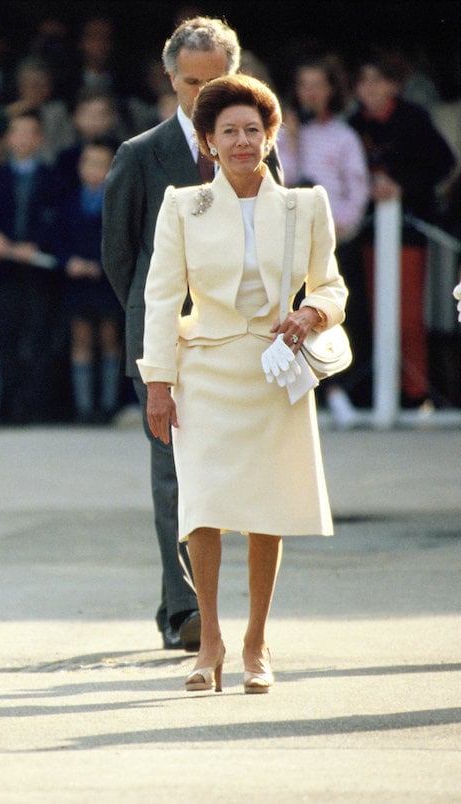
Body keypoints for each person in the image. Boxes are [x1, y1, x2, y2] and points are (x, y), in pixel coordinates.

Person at [139, 74, 347, 694]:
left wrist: (311, 313)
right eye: (228, 131)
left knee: (266, 509)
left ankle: (256, 641)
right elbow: (160, 298)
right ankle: (210, 641)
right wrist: (159, 381)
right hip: (203, 371)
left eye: (253, 131)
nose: (241, 142)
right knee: (202, 507)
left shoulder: (305, 205)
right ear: (207, 141)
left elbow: (332, 286)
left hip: (276, 372)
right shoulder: (182, 205)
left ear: (270, 136)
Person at [102, 16, 282, 652]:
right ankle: (185, 612)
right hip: (169, 346)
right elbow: (122, 259)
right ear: (170, 78)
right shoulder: (140, 155)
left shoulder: (255, 146)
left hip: (244, 343)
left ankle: (191, 603)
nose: (202, 93)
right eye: (189, 81)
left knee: (245, 478)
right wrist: (157, 330)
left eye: (217, 80)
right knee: (174, 480)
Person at [348, 53, 455, 408]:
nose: (370, 89)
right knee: (369, 313)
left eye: (378, 80)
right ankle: (377, 388)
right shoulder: (353, 123)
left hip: (408, 229)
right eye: (363, 81)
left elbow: (444, 164)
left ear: (394, 85)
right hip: (366, 232)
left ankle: (414, 392)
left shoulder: (413, 119)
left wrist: (403, 187)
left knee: (407, 315)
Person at [278, 57, 369, 427]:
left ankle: (340, 389)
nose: (311, 92)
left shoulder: (343, 135)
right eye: (304, 85)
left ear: (331, 90)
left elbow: (356, 186)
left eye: (318, 84)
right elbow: (281, 183)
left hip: (334, 239)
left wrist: (341, 224)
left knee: (333, 313)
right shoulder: (283, 133)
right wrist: (294, 138)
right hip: (290, 240)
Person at [0, 110, 58, 423]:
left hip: (38, 271)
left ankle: (36, 406)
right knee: (5, 338)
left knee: (38, 337)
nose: (23, 139)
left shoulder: (52, 177)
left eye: (30, 133)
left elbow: (58, 219)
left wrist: (38, 243)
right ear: (8, 139)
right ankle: (7, 405)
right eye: (17, 132)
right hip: (4, 271)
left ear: (39, 139)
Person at [55, 136, 121, 423]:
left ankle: (107, 406)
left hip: (106, 282)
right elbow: (58, 239)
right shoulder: (69, 202)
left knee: (109, 339)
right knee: (80, 340)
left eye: (100, 164)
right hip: (77, 282)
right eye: (88, 163)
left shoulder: (117, 202)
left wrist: (102, 266)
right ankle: (84, 406)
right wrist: (69, 262)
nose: (93, 169)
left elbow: (121, 242)